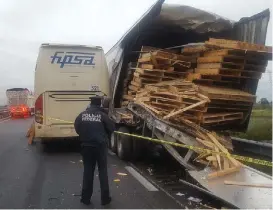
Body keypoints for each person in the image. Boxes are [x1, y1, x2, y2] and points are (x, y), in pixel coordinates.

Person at [74, 96, 114, 206]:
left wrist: (85, 135)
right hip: (100, 147)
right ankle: (105, 199)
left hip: (86, 147)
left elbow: (77, 128)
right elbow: (112, 128)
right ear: (100, 104)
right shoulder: (103, 115)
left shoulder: (82, 115)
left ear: (90, 104)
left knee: (88, 171)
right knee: (102, 171)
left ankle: (85, 198)